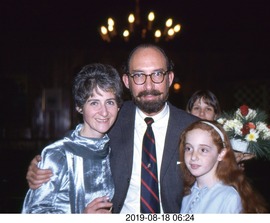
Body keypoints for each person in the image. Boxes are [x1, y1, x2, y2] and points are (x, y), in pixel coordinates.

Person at [25, 43, 199, 213]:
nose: (148, 85)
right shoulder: (109, 120)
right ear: (126, 81)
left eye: (157, 74)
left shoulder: (194, 129)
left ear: (169, 78)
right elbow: (78, 143)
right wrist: (48, 164)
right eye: (139, 75)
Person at [22, 63, 123, 213]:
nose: (104, 112)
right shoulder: (57, 155)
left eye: (110, 102)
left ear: (118, 106)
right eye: (94, 102)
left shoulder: (114, 151)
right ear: (79, 107)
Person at [179, 120, 268, 213]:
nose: (193, 156)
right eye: (188, 148)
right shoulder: (189, 192)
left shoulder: (228, 198)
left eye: (203, 150)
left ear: (221, 154)